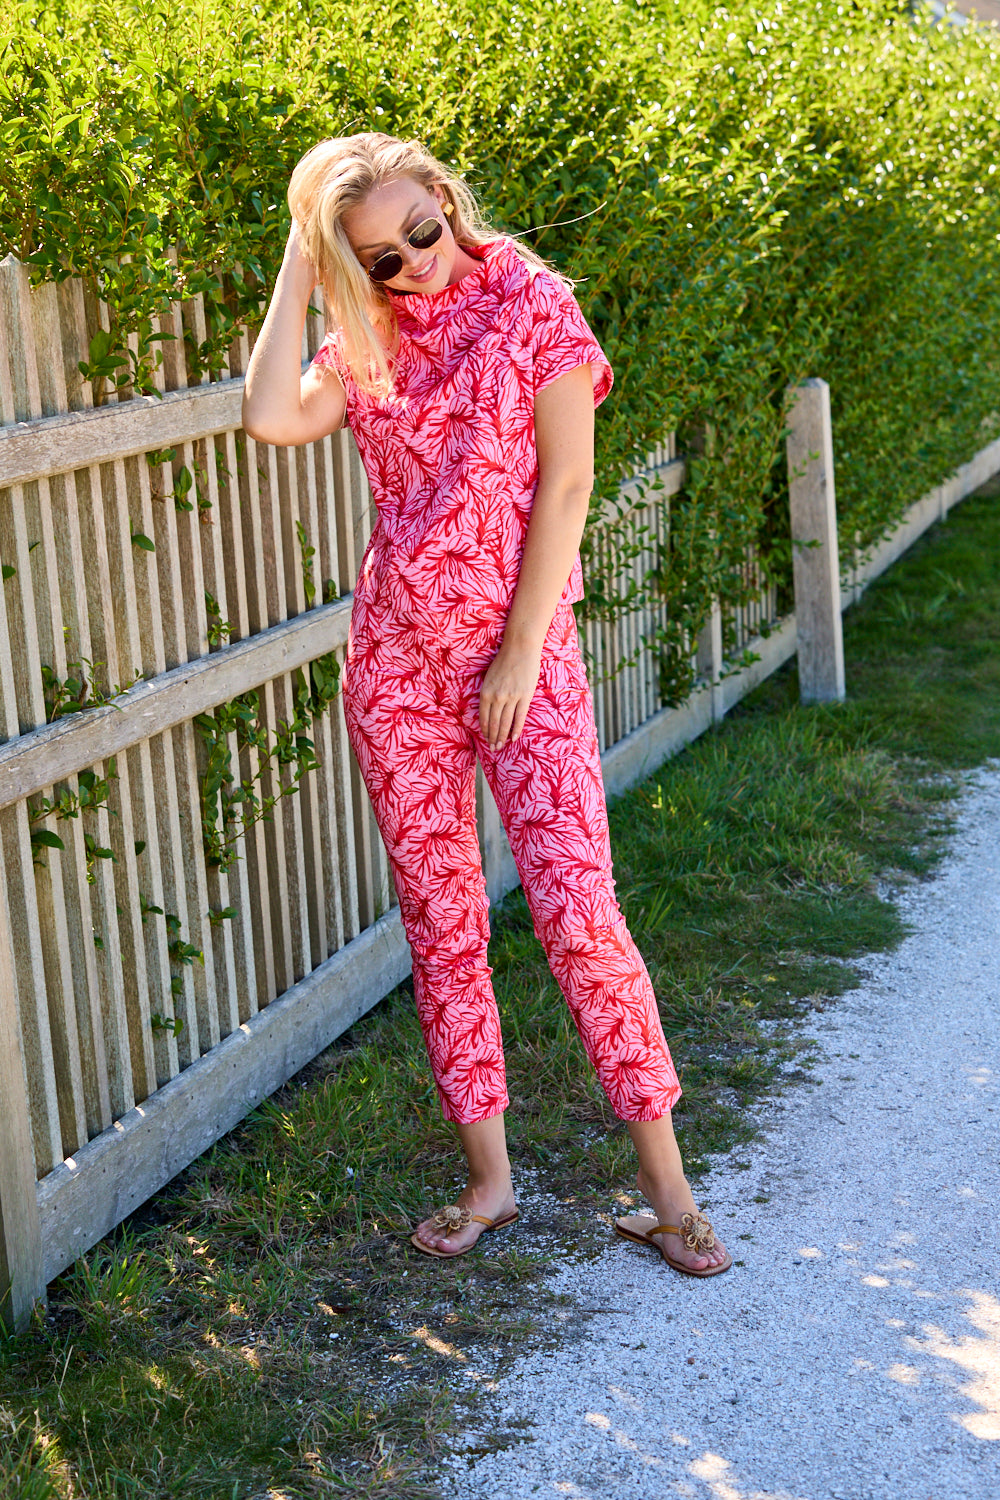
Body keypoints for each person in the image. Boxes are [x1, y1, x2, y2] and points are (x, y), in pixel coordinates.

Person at [241, 132, 731, 1278]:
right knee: (442, 921)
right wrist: (300, 267)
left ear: (448, 202)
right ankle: (490, 1181)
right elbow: (268, 417)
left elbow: (566, 481)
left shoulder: (531, 300)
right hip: (396, 666)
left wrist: (518, 654)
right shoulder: (363, 332)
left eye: (425, 228)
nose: (418, 261)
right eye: (382, 256)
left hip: (524, 660)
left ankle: (666, 1191)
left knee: (577, 914)